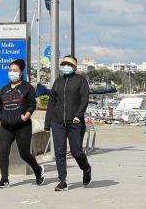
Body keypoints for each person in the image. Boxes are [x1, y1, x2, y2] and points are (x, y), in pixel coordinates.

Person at [0, 59, 45, 188]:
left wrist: (26, 116)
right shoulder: (4, 89)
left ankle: (38, 170)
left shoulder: (27, 87)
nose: (12, 73)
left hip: (22, 126)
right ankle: (4, 180)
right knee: (3, 152)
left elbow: (32, 104)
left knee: (24, 154)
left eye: (15, 70)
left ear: (21, 72)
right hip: (6, 126)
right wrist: (0, 117)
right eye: (10, 70)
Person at [45, 55, 92, 191]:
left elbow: (84, 99)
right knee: (59, 152)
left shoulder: (81, 80)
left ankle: (86, 168)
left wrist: (78, 115)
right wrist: (48, 123)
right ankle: (62, 181)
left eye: (69, 64)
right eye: (64, 64)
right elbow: (51, 102)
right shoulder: (58, 81)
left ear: (74, 67)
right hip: (58, 121)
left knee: (76, 151)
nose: (65, 66)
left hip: (75, 122)